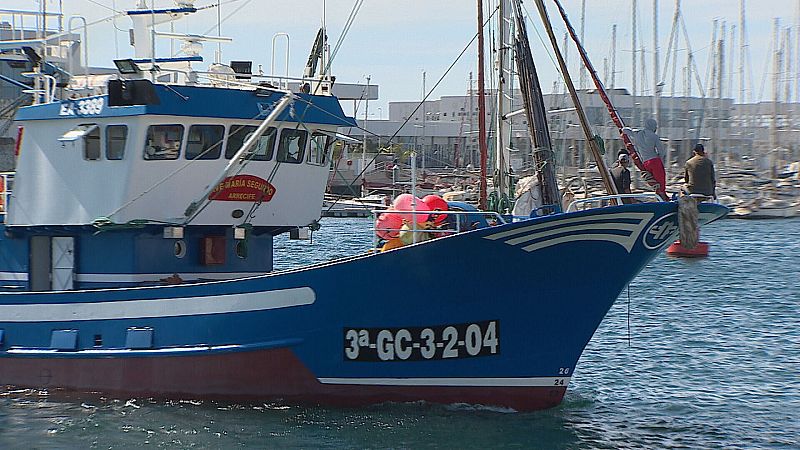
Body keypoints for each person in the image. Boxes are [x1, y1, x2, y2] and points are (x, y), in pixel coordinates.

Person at [623, 118, 668, 200]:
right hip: (655, 161)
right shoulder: (654, 136)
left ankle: (659, 198)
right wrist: (660, 159)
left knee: (654, 182)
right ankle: (663, 200)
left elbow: (625, 130)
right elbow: (661, 152)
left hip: (645, 163)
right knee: (661, 184)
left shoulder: (638, 134)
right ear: (653, 126)